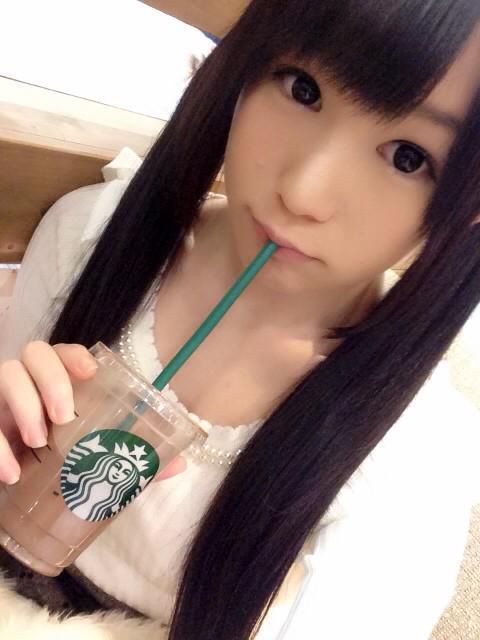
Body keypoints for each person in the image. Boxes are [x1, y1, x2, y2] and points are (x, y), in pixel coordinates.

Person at [0, 1, 480, 638]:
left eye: (408, 157)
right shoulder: (86, 235)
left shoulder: (415, 463)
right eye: (302, 88)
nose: (303, 192)